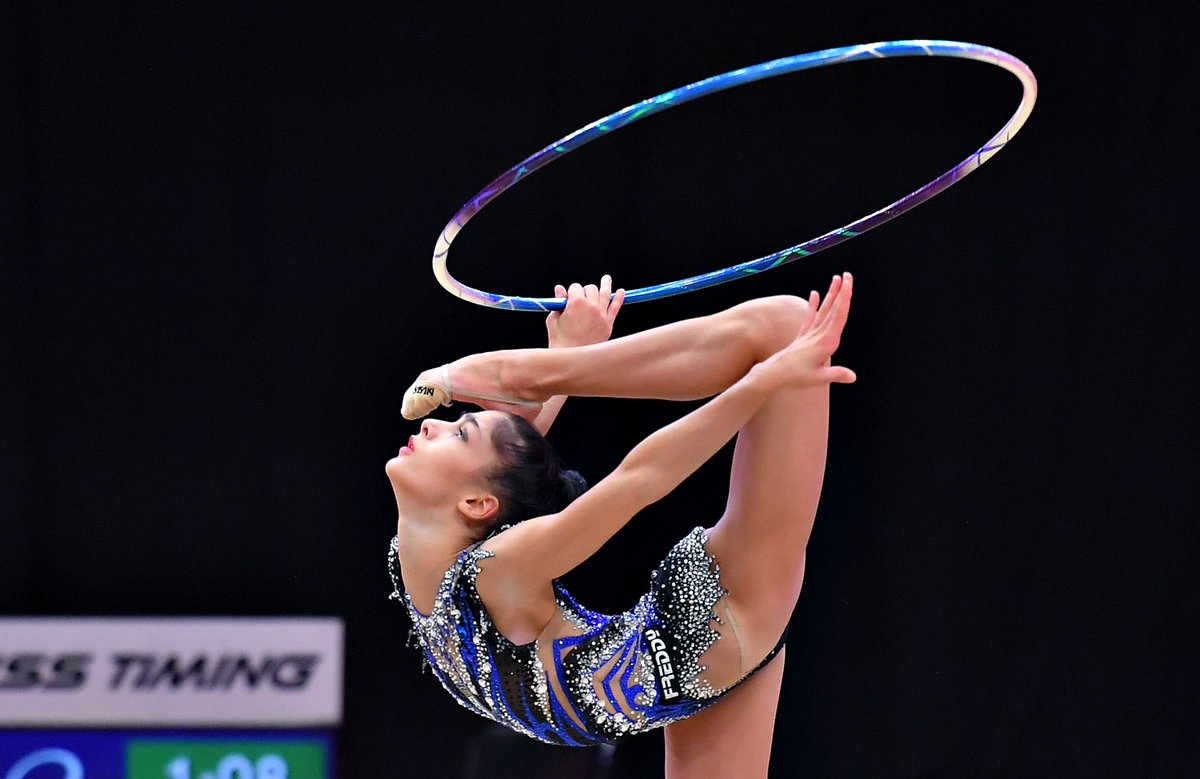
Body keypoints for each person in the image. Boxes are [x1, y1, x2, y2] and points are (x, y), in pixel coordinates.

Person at [388, 273, 855, 778]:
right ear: (477, 505)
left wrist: (564, 354)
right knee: (785, 330)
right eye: (461, 430)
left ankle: (540, 373)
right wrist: (761, 384)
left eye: (458, 430)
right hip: (724, 613)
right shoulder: (497, 569)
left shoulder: (442, 546)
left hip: (687, 660)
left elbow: (503, 479)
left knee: (786, 326)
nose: (433, 424)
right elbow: (637, 480)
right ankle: (538, 374)